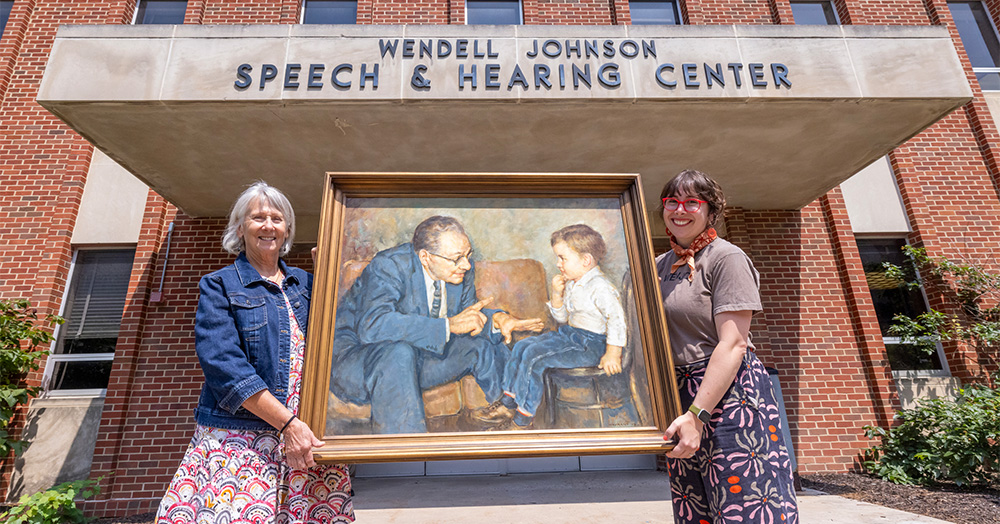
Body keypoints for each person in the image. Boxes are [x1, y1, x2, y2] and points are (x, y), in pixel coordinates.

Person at [156, 182, 354, 523]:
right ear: (239, 227)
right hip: (244, 440)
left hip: (307, 439)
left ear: (287, 230)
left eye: (276, 218)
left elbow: (342, 341)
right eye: (258, 217)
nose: (268, 226)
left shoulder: (307, 285)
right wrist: (287, 424)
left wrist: (332, 277)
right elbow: (224, 367)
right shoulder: (219, 284)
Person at [657, 170, 798, 523]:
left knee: (743, 506)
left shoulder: (726, 258)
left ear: (710, 210)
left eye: (692, 202)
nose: (680, 209)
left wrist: (697, 415)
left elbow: (733, 344)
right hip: (681, 394)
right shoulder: (659, 265)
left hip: (729, 395)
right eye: (672, 201)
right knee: (696, 508)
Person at [330, 215, 544, 434]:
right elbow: (373, 325)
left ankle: (518, 422)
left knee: (484, 346)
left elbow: (466, 315)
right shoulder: (389, 266)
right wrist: (448, 326)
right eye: (457, 258)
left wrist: (498, 320)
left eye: (468, 255)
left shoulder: (459, 271)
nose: (466, 264)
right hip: (359, 361)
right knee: (398, 353)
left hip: (418, 357)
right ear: (425, 257)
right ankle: (406, 453)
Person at [474, 224, 627, 430]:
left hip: (591, 345)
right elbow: (562, 318)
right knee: (521, 347)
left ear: (586, 260)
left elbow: (616, 319)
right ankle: (508, 403)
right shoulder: (573, 282)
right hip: (570, 336)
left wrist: (613, 353)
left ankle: (523, 419)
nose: (558, 264)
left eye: (563, 258)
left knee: (535, 358)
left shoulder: (601, 287)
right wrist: (556, 295)